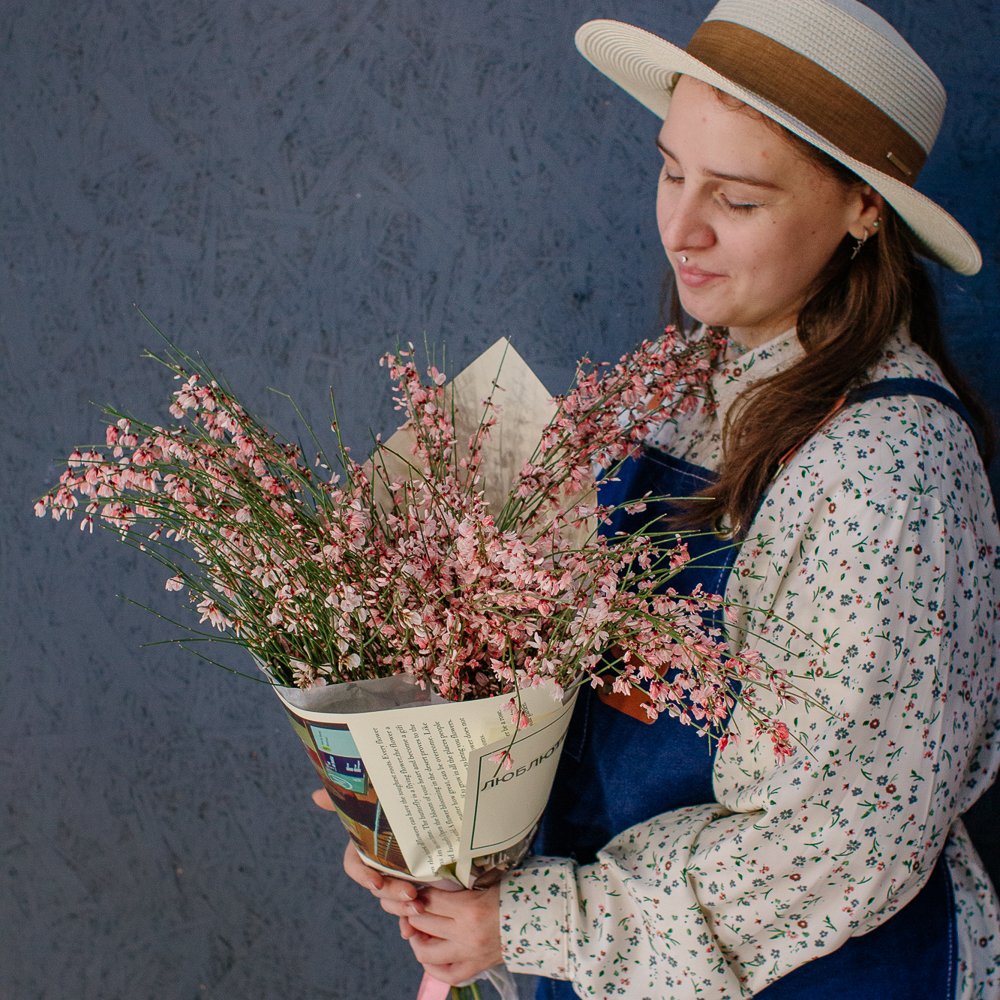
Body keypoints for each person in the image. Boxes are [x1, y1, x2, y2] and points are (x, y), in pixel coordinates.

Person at [336, 0, 1000, 996]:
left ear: (864, 208)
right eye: (670, 170)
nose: (680, 228)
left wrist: (523, 920)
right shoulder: (672, 390)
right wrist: (423, 820)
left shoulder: (887, 473)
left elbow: (826, 847)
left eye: (735, 198)